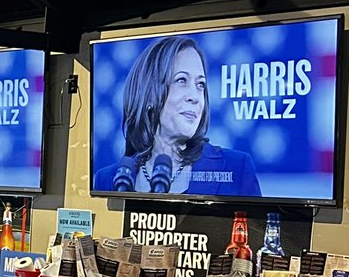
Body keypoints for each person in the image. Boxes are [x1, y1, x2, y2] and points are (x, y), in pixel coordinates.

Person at [93, 35, 261, 196]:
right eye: (182, 80)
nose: (195, 97)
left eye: (200, 84)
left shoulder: (237, 168)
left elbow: (256, 226)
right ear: (150, 94)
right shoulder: (107, 179)